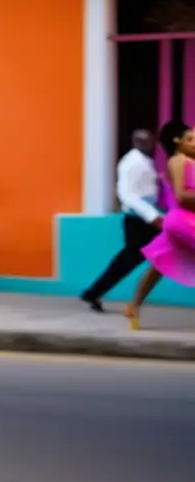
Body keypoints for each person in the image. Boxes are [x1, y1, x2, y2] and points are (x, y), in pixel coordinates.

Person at [80, 128, 162, 312]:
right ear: (135, 142)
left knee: (130, 259)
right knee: (129, 259)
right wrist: (153, 216)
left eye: (148, 140)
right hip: (139, 220)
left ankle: (94, 293)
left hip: (145, 219)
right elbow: (127, 194)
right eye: (141, 140)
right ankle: (95, 293)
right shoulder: (131, 162)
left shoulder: (144, 161)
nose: (146, 144)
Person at [124, 123, 195, 329]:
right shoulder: (178, 161)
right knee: (159, 264)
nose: (194, 143)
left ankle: (133, 306)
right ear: (177, 142)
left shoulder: (190, 162)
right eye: (189, 139)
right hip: (184, 221)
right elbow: (182, 197)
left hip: (183, 220)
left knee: (159, 264)